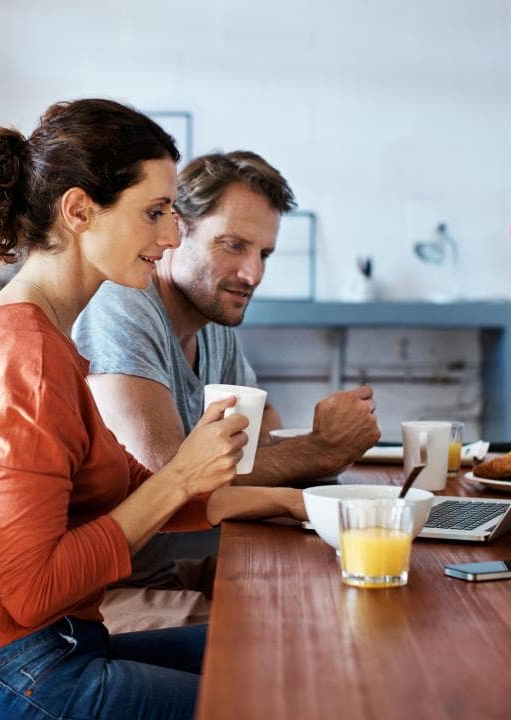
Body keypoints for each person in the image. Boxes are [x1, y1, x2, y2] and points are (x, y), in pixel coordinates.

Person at [0, 99, 305, 720]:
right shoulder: (29, 359)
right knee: (278, 701)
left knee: (284, 658)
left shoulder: (45, 339)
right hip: (14, 679)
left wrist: (291, 504)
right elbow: (32, 591)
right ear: (78, 211)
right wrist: (183, 474)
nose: (172, 236)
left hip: (55, 652)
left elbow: (136, 492)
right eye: (155, 212)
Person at [72, 151, 380, 630]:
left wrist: (319, 454)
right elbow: (168, 479)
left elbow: (259, 441)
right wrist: (321, 451)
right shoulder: (122, 306)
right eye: (233, 245)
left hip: (164, 570)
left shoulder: (212, 324)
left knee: (326, 593)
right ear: (175, 229)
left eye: (264, 254)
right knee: (279, 634)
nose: (253, 274)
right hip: (99, 595)